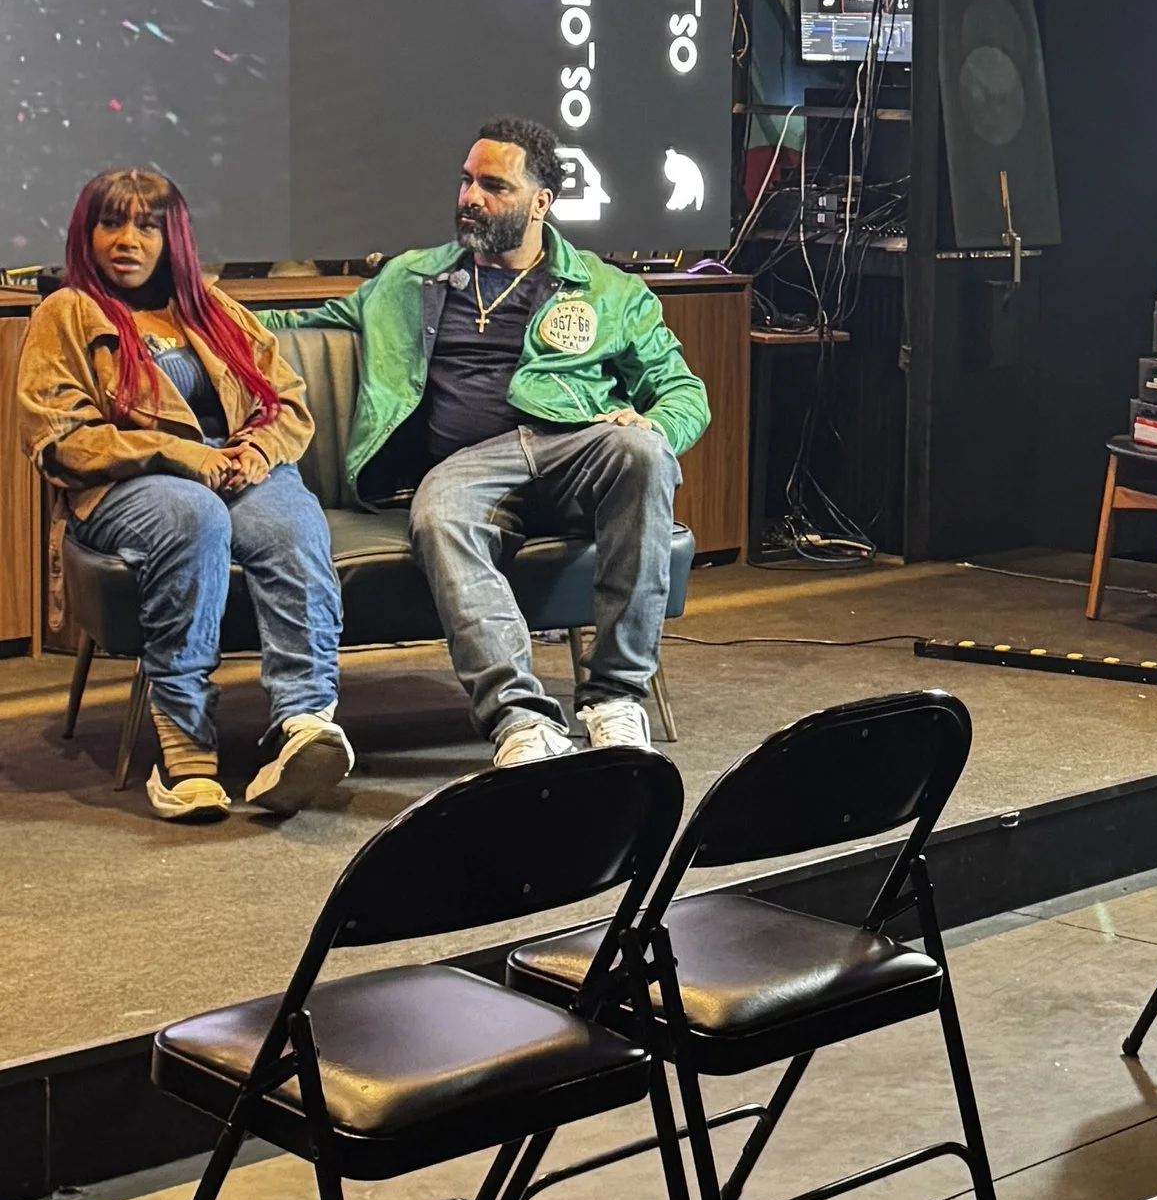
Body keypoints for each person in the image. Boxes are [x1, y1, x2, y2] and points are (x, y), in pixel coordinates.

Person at [268, 118, 709, 768]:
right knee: (439, 513)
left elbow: (684, 392)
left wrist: (657, 425)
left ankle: (616, 697)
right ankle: (520, 719)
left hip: (571, 448)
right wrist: (176, 323)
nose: (471, 197)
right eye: (467, 181)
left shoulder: (609, 292)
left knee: (643, 453)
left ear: (540, 202)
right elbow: (293, 324)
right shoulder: (409, 279)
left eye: (494, 186)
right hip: (466, 469)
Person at [19, 167, 350, 823]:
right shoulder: (66, 313)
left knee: (289, 524)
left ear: (174, 239)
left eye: (147, 227)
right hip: (129, 484)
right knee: (193, 516)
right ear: (86, 234)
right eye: (111, 223)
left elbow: (287, 402)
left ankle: (304, 725)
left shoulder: (213, 309)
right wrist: (180, 454)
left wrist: (257, 451)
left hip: (235, 468)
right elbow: (58, 440)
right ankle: (186, 750)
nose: (128, 240)